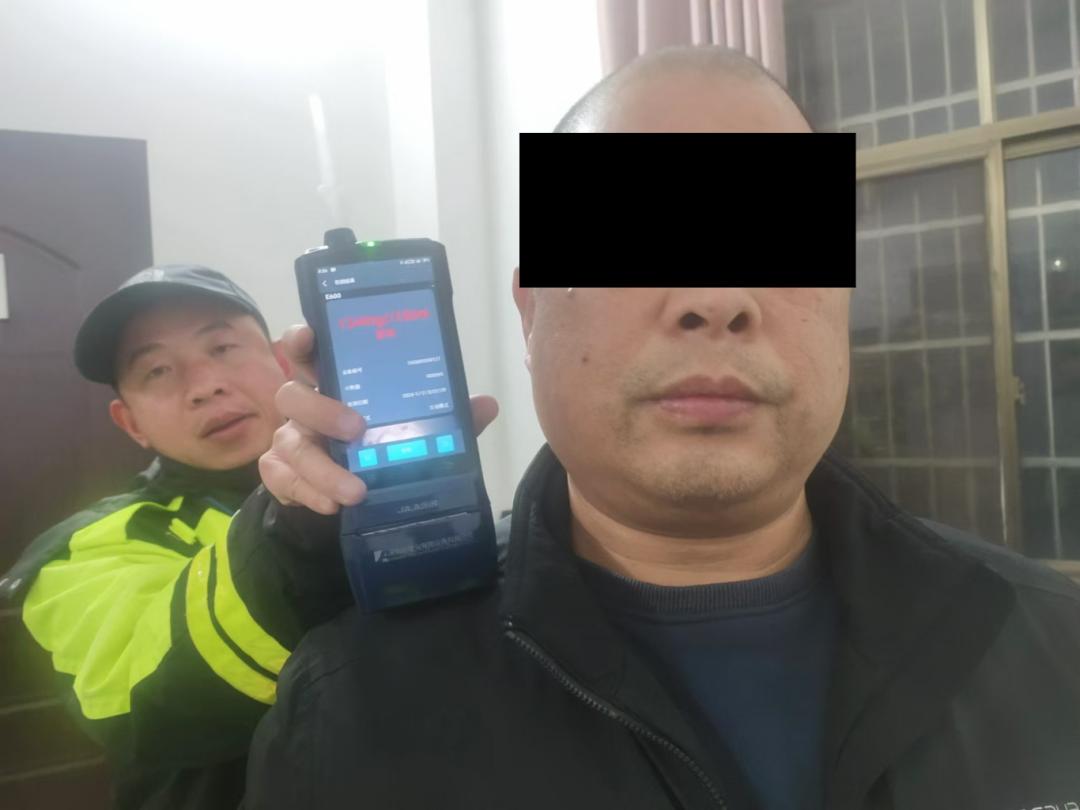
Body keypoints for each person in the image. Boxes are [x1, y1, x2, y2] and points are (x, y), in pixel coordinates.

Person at [244, 47, 1080, 810]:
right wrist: (288, 551)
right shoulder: (350, 712)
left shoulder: (1053, 642)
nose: (715, 299)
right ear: (532, 314)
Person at [0, 264, 496, 809]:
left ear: (282, 362)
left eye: (222, 348)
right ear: (131, 422)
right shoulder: (85, 549)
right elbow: (150, 692)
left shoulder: (379, 472)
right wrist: (296, 530)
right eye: (157, 371)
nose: (205, 386)